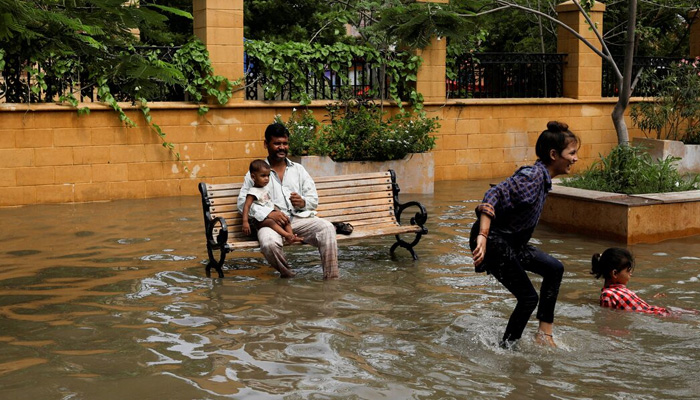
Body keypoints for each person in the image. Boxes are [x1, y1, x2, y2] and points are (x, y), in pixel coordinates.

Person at [470, 121, 580, 349]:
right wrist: (482, 235)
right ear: (553, 154)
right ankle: (507, 349)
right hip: (493, 241)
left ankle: (544, 336)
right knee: (529, 298)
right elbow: (494, 193)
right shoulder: (532, 176)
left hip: (511, 242)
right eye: (572, 153)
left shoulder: (542, 178)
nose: (575, 159)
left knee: (554, 268)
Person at [237, 122, 339, 279]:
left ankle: (331, 279)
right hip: (271, 225)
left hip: (298, 219)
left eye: (285, 143)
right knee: (269, 244)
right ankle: (288, 274)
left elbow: (313, 199)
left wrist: (303, 202)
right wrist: (270, 213)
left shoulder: (298, 170)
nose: (281, 147)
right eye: (277, 143)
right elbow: (242, 202)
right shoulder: (257, 172)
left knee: (327, 228)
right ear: (266, 144)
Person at [590, 247, 670, 315]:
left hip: (658, 313)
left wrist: (650, 299)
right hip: (660, 313)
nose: (630, 274)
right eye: (628, 271)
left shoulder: (615, 292)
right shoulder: (608, 295)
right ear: (614, 273)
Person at [241, 159, 303, 245]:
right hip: (259, 220)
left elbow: (269, 203)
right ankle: (287, 235)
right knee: (271, 222)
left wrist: (277, 211)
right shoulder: (252, 192)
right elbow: (246, 206)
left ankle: (292, 237)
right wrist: (245, 222)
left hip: (270, 217)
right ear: (253, 177)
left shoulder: (265, 188)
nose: (266, 179)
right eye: (263, 176)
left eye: (268, 175)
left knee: (285, 219)